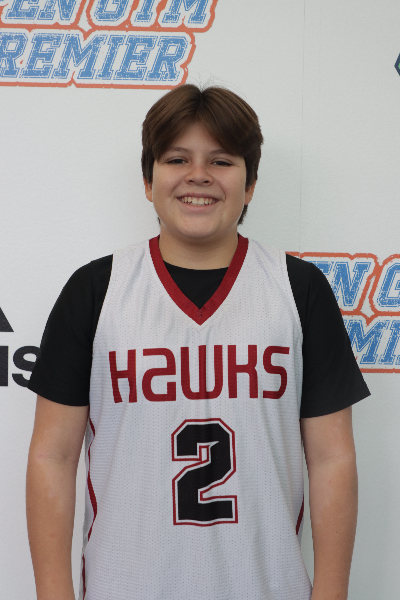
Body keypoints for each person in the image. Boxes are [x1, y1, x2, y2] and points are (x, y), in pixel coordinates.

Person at [26, 84, 370, 600]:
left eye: (222, 161)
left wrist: (332, 592)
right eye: (177, 159)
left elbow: (332, 458)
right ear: (148, 181)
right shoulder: (97, 290)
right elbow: (52, 457)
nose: (199, 175)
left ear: (250, 184)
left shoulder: (298, 290)